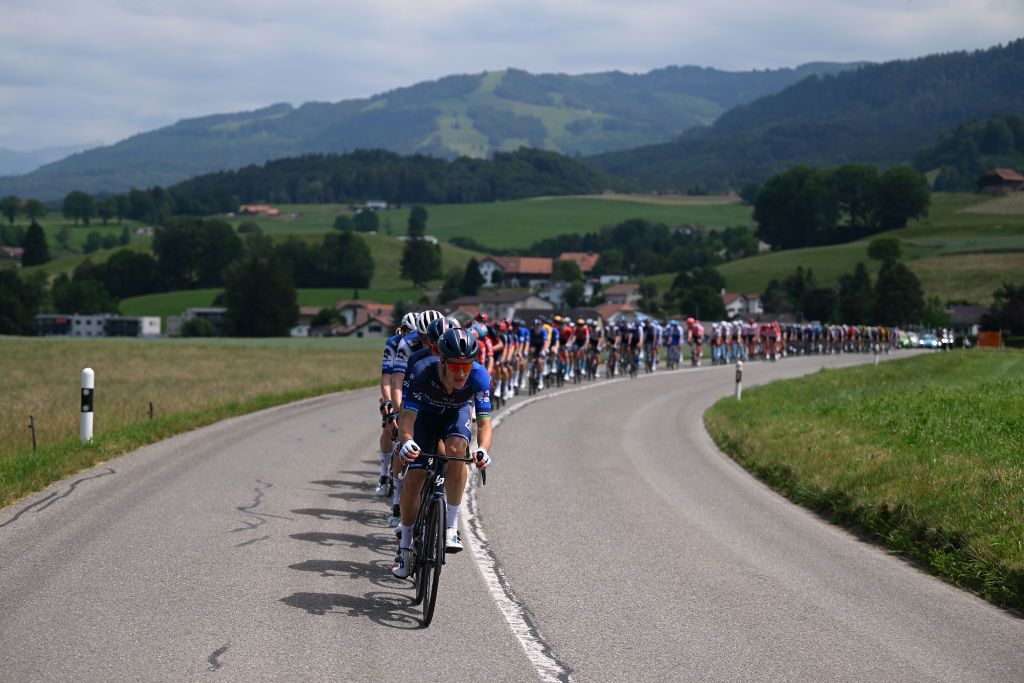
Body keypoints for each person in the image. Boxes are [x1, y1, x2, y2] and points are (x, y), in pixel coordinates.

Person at [391, 328, 493, 578]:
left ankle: (450, 526)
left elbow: (484, 423)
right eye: (455, 366)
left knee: (458, 451)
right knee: (414, 478)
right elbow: (407, 418)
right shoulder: (423, 371)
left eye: (465, 366)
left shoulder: (479, 376)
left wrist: (483, 449)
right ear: (443, 361)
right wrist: (406, 441)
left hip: (454, 416)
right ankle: (405, 549)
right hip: (423, 419)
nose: (460, 373)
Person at [375, 311, 419, 497]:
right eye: (406, 331)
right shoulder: (393, 343)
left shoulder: (418, 344)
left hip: (413, 387)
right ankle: (384, 474)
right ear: (400, 330)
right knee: (388, 426)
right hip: (396, 386)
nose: (409, 335)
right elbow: (387, 379)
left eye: (413, 332)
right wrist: (389, 403)